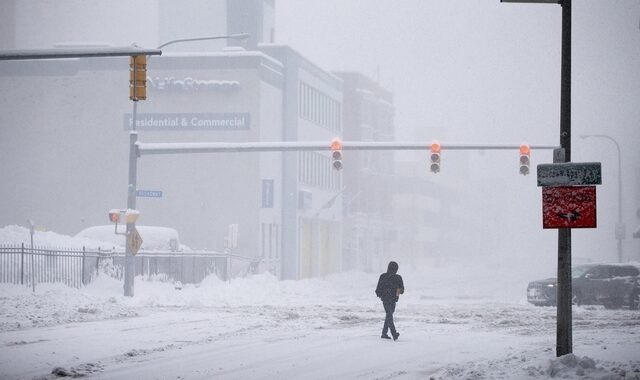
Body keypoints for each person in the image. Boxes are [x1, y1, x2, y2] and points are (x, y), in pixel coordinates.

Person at [375, 261, 404, 340]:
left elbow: (377, 290)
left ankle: (384, 333)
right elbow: (402, 290)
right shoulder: (397, 277)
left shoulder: (384, 276)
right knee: (389, 315)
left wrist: (381, 295)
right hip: (389, 299)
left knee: (389, 315)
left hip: (390, 300)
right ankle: (394, 333)